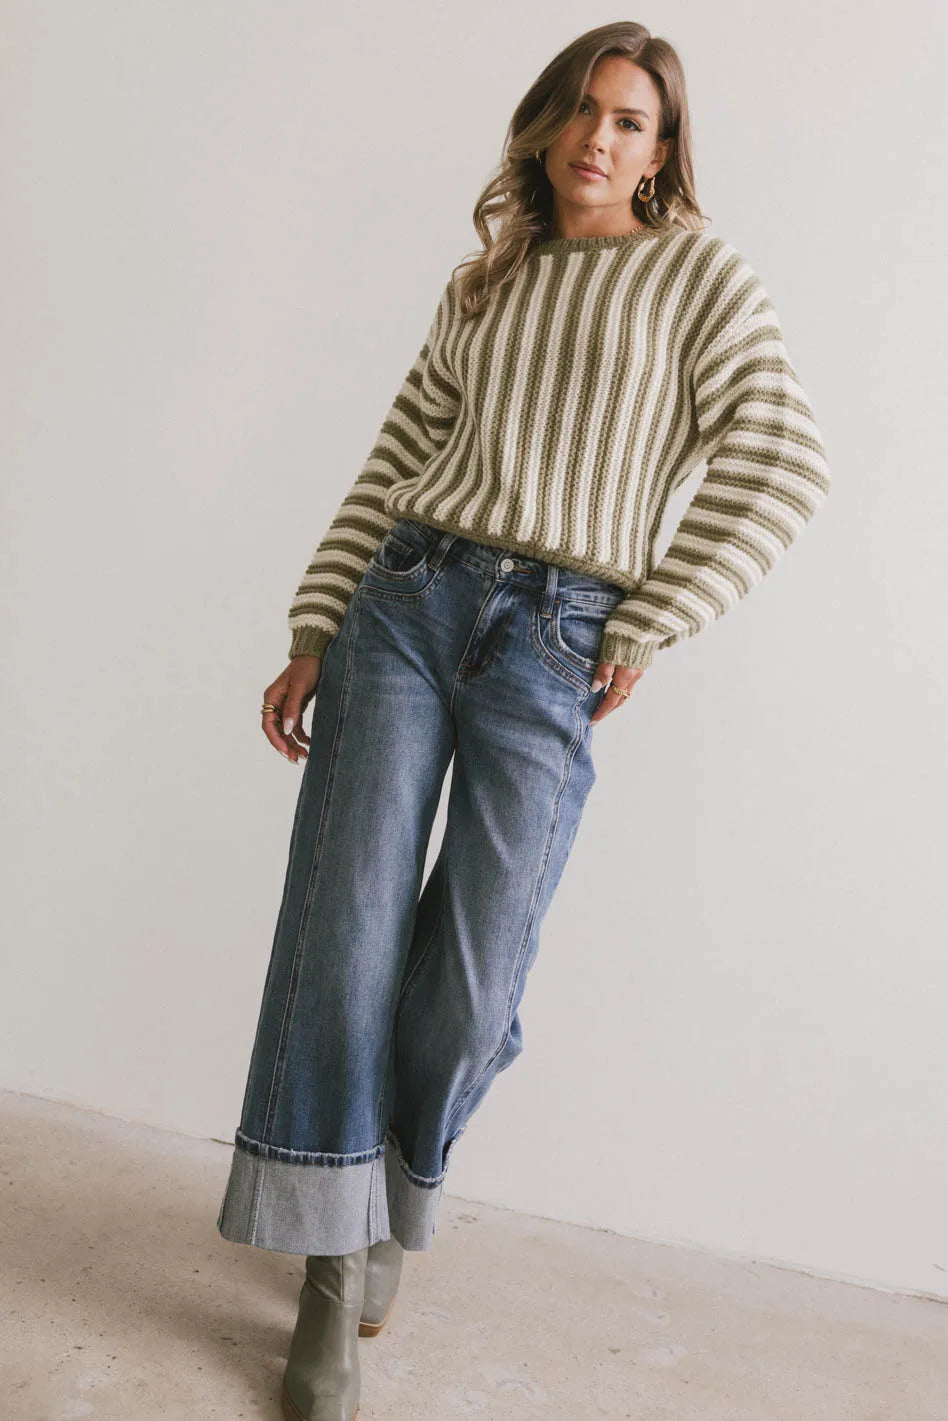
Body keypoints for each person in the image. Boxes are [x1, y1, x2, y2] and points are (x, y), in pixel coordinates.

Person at [217, 20, 831, 1421]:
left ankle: (392, 1192)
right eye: (580, 109)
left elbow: (787, 457)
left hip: (557, 638)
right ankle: (328, 1270)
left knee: (474, 977)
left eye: (628, 120)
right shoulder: (487, 279)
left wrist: (654, 615)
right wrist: (316, 622)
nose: (595, 138)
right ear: (545, 122)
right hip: (404, 603)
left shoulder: (700, 277)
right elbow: (398, 452)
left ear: (662, 151)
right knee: (345, 935)